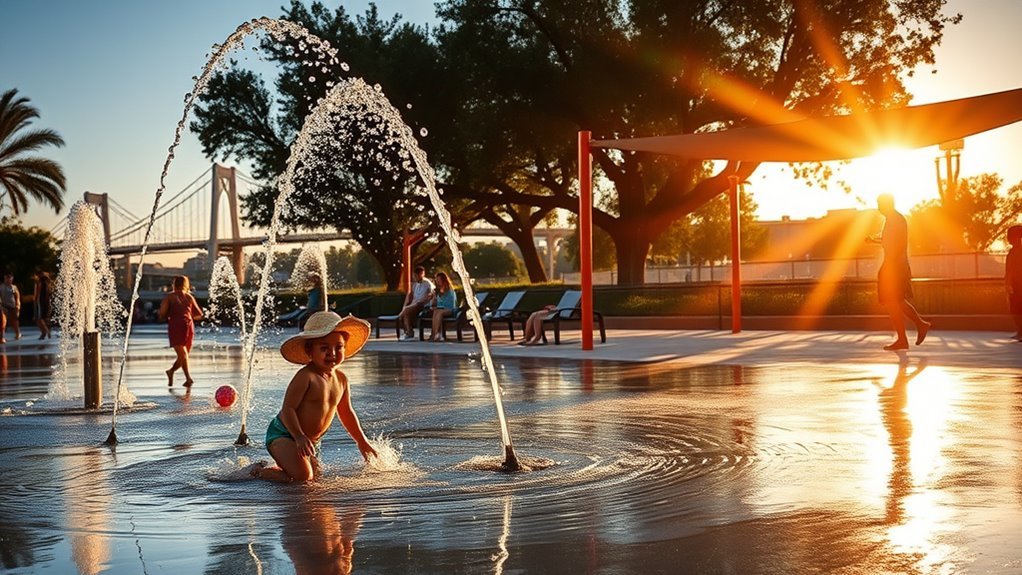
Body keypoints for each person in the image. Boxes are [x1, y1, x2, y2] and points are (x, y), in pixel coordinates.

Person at [253, 311, 379, 483]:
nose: (332, 353)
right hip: (285, 434)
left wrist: (361, 442)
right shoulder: (306, 377)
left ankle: (282, 467)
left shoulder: (341, 379)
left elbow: (347, 413)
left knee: (316, 477)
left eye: (338, 347)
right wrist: (298, 436)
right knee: (303, 477)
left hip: (309, 440)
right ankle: (259, 471)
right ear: (310, 351)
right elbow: (288, 408)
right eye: (324, 348)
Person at [868, 193, 931, 351]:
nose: (878, 207)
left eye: (880, 204)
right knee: (896, 301)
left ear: (887, 204)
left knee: (893, 301)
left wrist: (890, 267)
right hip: (893, 265)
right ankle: (917, 328)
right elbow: (889, 241)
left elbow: (896, 244)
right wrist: (875, 240)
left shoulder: (896, 220)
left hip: (895, 266)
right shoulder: (892, 220)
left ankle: (908, 335)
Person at [158, 275, 203, 387]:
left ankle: (172, 371)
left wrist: (170, 313)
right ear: (186, 285)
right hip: (188, 325)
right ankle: (187, 378)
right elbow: (199, 315)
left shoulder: (170, 297)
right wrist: (187, 313)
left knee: (183, 355)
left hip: (176, 325)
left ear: (174, 284)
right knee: (184, 354)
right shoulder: (189, 297)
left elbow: (162, 314)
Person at [397, 265, 434, 341]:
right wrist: (407, 304)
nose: (415, 277)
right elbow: (411, 295)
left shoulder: (427, 284)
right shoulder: (416, 284)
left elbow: (430, 296)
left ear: (422, 274)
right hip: (415, 304)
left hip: (422, 305)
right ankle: (408, 332)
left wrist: (418, 303)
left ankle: (409, 332)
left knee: (405, 311)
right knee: (406, 312)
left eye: (417, 275)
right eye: (415, 275)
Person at [427, 271, 457, 342]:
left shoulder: (448, 290)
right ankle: (434, 334)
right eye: (436, 280)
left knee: (439, 312)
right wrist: (433, 297)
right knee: (436, 312)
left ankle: (436, 333)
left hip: (450, 309)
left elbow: (449, 303)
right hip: (441, 309)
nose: (437, 282)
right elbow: (435, 303)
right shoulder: (437, 291)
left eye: (439, 280)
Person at [1006, 224, 1022, 341]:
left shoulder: (1018, 252)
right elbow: (1009, 270)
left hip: (1018, 284)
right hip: (1015, 284)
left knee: (1017, 309)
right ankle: (1020, 331)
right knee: (1014, 309)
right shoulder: (1012, 252)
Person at [1, 272, 22, 342]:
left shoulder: (13, 287)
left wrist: (18, 305)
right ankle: (2, 337)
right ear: (4, 278)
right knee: (3, 322)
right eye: (7, 278)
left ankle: (18, 333)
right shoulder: (1, 287)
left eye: (9, 278)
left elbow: (17, 296)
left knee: (14, 321)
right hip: (4, 306)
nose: (8, 280)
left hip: (12, 306)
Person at [33, 271, 52, 339]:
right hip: (46, 302)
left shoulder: (40, 283)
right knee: (44, 318)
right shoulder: (47, 283)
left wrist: (35, 300)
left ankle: (46, 332)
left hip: (40, 302)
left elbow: (37, 294)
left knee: (39, 319)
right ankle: (45, 332)